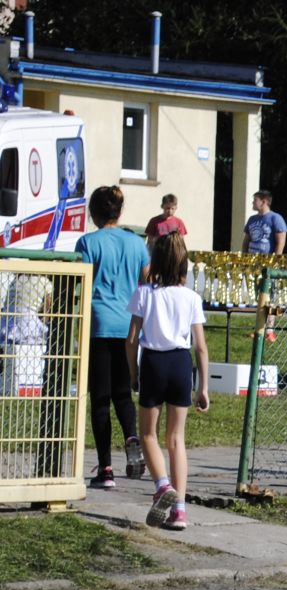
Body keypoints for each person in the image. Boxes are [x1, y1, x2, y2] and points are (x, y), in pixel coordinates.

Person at [125, 232, 208, 533]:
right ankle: (180, 510)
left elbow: (131, 339)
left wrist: (134, 373)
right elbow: (201, 347)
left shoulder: (144, 293)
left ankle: (162, 485)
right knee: (176, 439)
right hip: (180, 363)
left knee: (148, 434)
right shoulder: (192, 298)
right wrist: (203, 387)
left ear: (156, 261)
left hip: (154, 362)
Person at [75, 185, 150, 489]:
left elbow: (79, 280)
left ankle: (105, 468)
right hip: (129, 325)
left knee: (100, 397)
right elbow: (147, 280)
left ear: (93, 213)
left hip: (99, 324)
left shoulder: (87, 242)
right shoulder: (136, 243)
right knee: (123, 392)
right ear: (119, 212)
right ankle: (131, 436)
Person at [242, 191, 287, 256]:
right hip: (251, 259)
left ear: (263, 202)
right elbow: (246, 241)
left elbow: (280, 243)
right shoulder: (251, 219)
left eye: (255, 200)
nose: (253, 202)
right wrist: (244, 256)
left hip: (267, 260)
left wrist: (275, 259)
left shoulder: (276, 218)